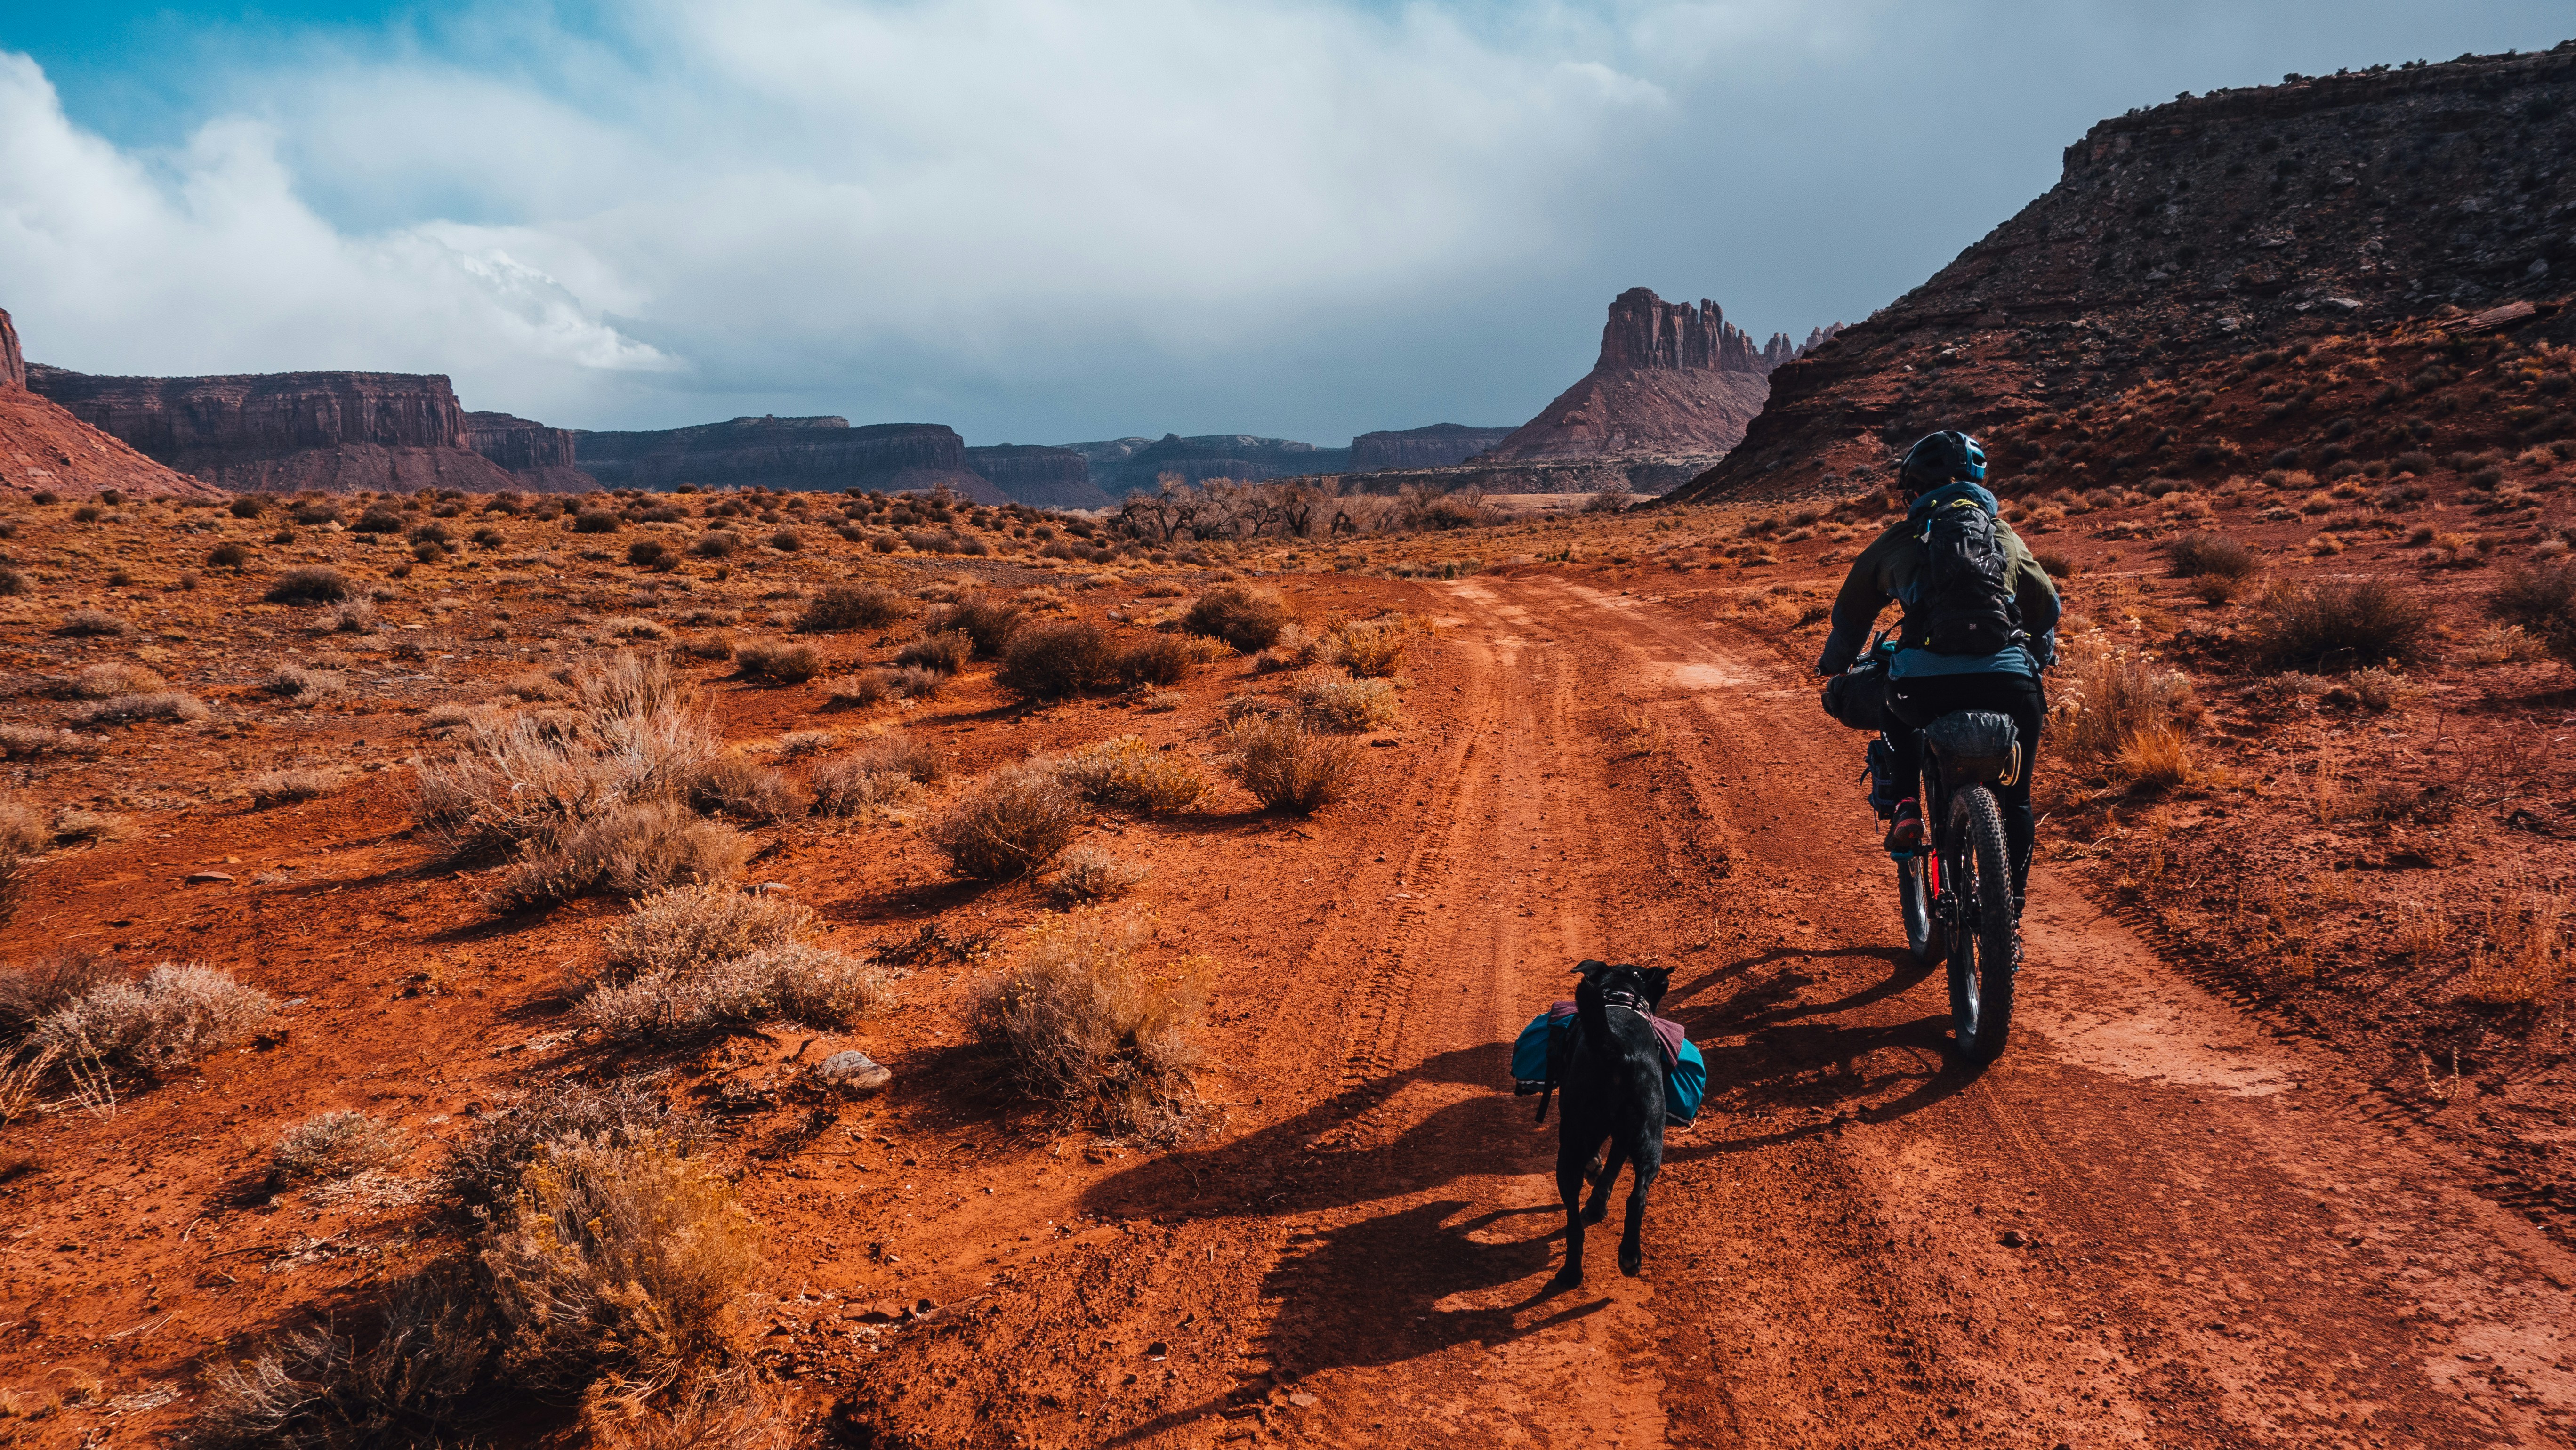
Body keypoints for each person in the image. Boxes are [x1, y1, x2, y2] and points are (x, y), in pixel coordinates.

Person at [1814, 430, 2061, 907]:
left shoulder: (1900, 539)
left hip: (1923, 687)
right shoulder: (2004, 536)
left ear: (1915, 490)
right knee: (2018, 798)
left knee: (1895, 707)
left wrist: (1834, 666)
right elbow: (2046, 607)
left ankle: (1907, 805)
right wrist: (2039, 655)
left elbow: (1852, 614)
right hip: (2009, 685)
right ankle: (2009, 914)